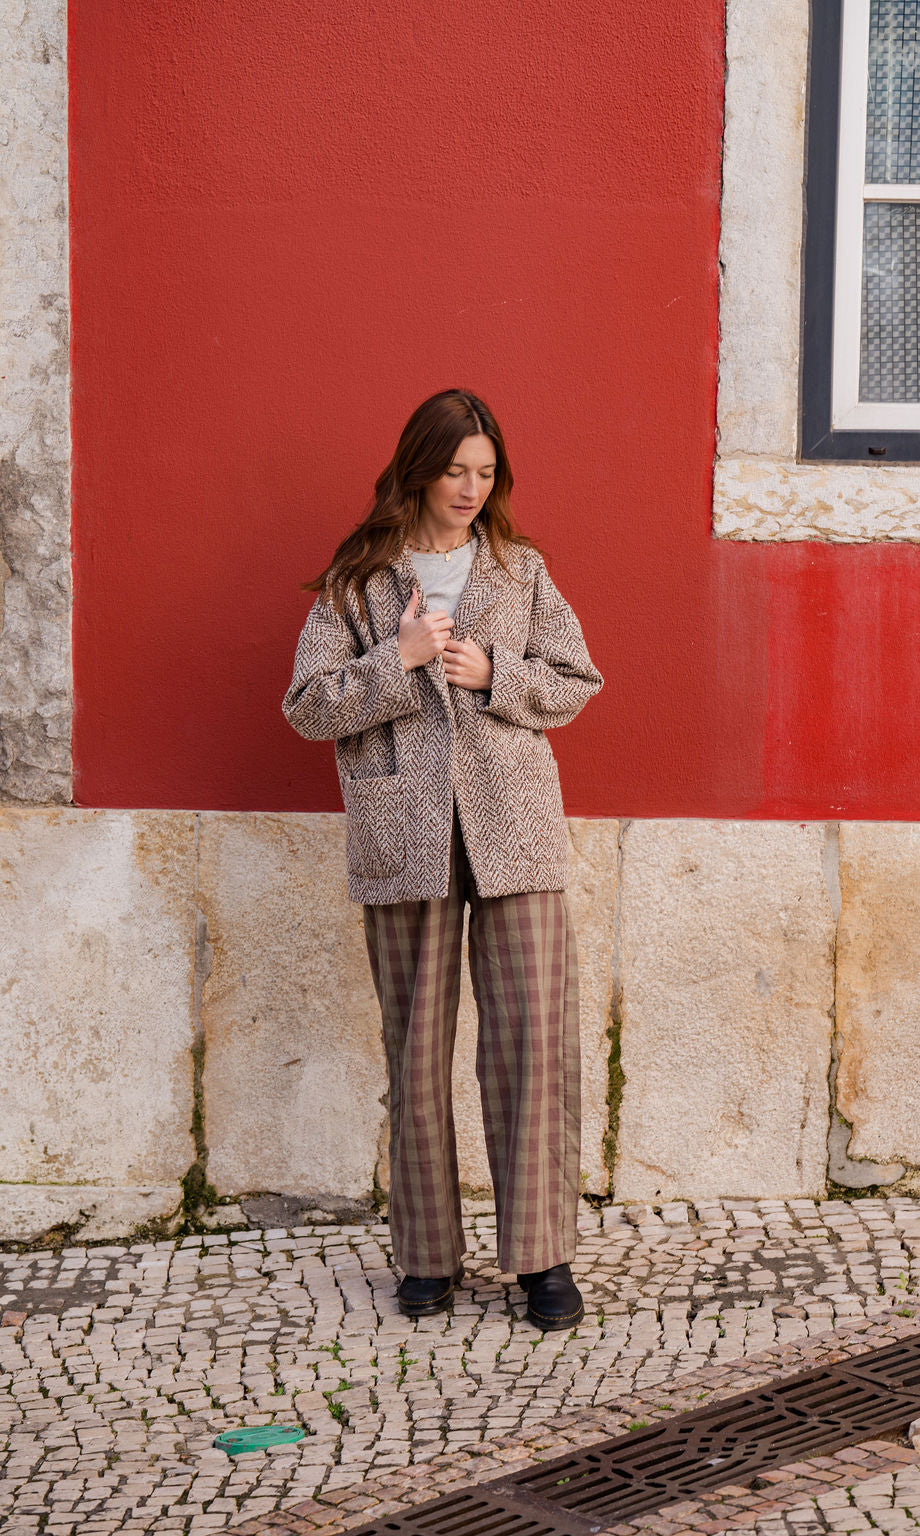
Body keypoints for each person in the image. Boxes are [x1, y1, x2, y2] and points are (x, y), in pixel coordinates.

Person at [282, 388, 604, 1330]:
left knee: (532, 1046)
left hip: (514, 831)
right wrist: (404, 658)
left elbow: (578, 679)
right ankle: (426, 1256)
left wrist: (493, 673)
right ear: (419, 466)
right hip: (406, 836)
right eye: (455, 469)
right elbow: (307, 705)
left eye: (486, 472)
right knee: (416, 1051)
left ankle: (542, 1258)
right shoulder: (360, 579)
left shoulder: (521, 568)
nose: (470, 488)